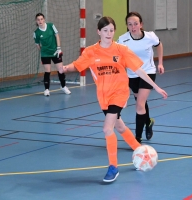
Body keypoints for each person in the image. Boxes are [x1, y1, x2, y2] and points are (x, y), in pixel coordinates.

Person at [62, 16, 167, 183]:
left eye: (111, 30)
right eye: (105, 30)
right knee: (119, 125)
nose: (109, 33)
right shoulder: (90, 51)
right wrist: (66, 68)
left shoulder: (121, 50)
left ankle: (113, 167)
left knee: (107, 128)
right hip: (103, 95)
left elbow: (139, 70)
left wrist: (155, 86)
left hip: (119, 93)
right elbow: (77, 65)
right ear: (99, 32)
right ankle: (138, 149)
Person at [117, 12, 164, 143]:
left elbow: (159, 44)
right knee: (141, 102)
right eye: (130, 24)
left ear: (141, 24)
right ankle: (148, 122)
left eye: (136, 24)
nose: (133, 27)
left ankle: (137, 138)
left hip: (148, 72)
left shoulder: (150, 36)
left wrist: (160, 63)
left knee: (139, 105)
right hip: (132, 75)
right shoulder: (122, 39)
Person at [34, 13, 71, 96]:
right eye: (38, 19)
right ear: (36, 21)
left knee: (61, 70)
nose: (40, 21)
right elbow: (37, 45)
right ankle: (46, 89)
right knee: (47, 71)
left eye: (41, 19)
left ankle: (63, 86)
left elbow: (57, 36)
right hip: (45, 54)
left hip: (55, 52)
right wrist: (43, 51)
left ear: (44, 19)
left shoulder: (51, 26)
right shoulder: (36, 33)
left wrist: (58, 48)